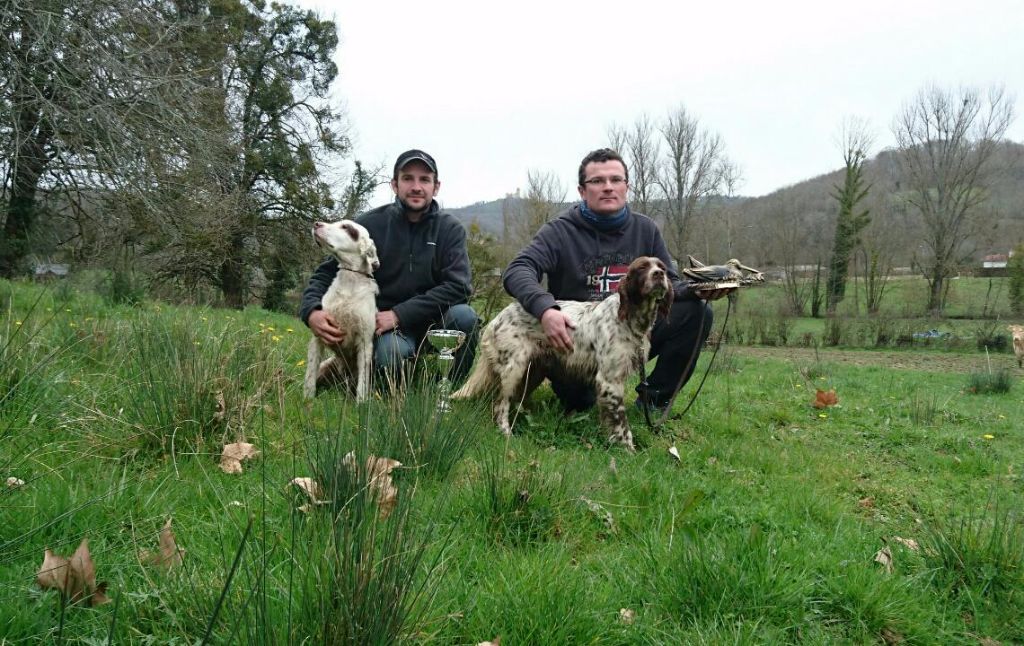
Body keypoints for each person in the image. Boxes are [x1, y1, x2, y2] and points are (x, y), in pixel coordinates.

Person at [502, 148, 732, 414]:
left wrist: (699, 291)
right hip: (578, 342)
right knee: (581, 403)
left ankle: (654, 402)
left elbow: (670, 282)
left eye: (616, 180)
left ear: (627, 186)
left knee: (698, 312)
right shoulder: (559, 232)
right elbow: (518, 270)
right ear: (581, 191)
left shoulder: (645, 229)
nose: (608, 187)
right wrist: (545, 310)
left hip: (635, 330)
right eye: (597, 181)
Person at [300, 149, 478, 388]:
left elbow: (459, 287)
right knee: (391, 354)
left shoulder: (450, 229)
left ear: (436, 187)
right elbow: (327, 272)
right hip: (386, 331)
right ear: (395, 185)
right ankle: (369, 377)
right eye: (407, 178)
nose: (416, 186)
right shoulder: (369, 225)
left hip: (434, 321)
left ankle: (452, 391)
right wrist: (311, 311)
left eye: (424, 179)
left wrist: (399, 315)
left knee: (465, 317)